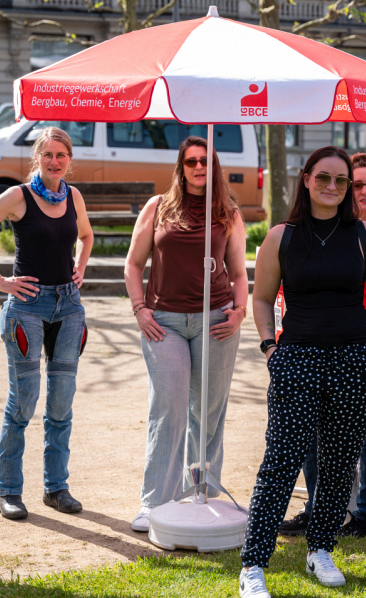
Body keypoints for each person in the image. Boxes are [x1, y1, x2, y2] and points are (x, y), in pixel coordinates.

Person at [238, 146, 366, 598]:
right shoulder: (281, 237)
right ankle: (254, 563)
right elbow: (262, 298)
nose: (332, 187)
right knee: (281, 463)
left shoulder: (365, 235)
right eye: (323, 177)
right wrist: (271, 348)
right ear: (306, 179)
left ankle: (320, 547)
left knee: (339, 463)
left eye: (341, 181)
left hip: (354, 360)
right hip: (297, 360)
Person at [279, 153, 366, 539]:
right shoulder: (324, 229)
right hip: (323, 340)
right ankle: (317, 509)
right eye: (356, 184)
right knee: (311, 429)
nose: (364, 192)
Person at [0, 127, 94, 521]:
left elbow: (86, 236)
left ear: (69, 160)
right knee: (23, 404)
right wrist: (0, 281)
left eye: (62, 155)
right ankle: (8, 492)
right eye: (48, 154)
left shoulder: (73, 196)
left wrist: (81, 267)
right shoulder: (19, 197)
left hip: (69, 308)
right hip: (27, 308)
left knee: (61, 404)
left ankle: (56, 489)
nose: (55, 161)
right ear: (36, 157)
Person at [124, 135, 247, 531]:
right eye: (191, 161)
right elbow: (133, 265)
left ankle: (202, 493)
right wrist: (141, 310)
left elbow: (241, 272)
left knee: (209, 411)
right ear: (181, 167)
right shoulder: (157, 208)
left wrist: (240, 312)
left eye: (205, 161)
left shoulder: (227, 211)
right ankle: (155, 503)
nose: (198, 168)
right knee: (169, 410)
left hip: (217, 320)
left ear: (214, 168)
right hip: (165, 322)